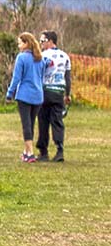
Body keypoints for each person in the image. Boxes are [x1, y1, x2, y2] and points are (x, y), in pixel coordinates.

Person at [6, 32, 46, 163]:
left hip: (24, 95)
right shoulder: (40, 59)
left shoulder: (21, 58)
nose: (18, 46)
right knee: (31, 123)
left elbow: (16, 78)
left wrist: (10, 93)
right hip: (38, 95)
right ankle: (26, 151)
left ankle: (30, 153)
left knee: (26, 125)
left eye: (20, 43)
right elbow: (42, 77)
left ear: (26, 43)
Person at [38, 30, 71, 162]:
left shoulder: (42, 55)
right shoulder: (65, 56)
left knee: (43, 121)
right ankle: (59, 150)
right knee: (57, 121)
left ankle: (43, 151)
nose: (40, 44)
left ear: (50, 41)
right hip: (58, 92)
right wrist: (67, 94)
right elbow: (67, 78)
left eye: (42, 41)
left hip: (44, 91)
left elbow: (37, 74)